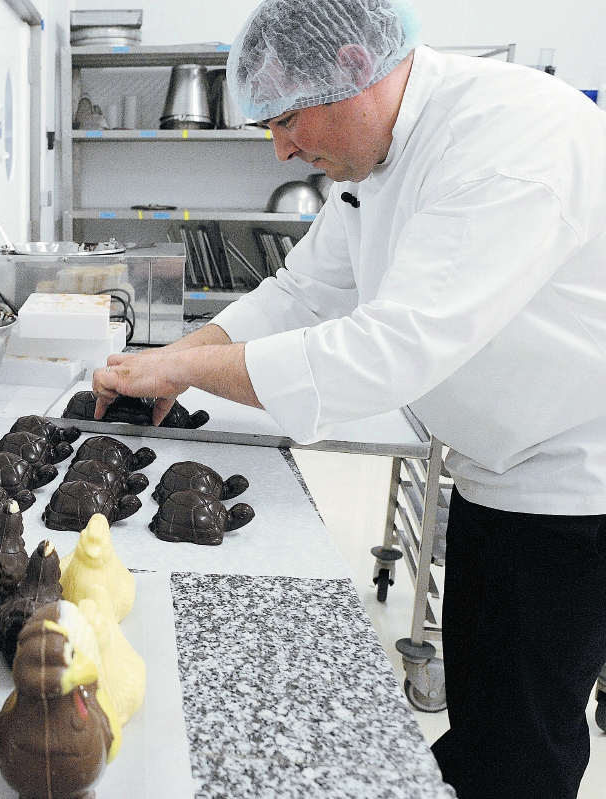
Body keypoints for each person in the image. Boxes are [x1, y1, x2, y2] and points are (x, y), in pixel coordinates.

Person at [92, 1, 606, 797]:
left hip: (576, 486)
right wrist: (173, 359)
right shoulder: (377, 152)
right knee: (486, 717)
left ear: (356, 67)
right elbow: (301, 291)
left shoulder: (510, 141)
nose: (281, 148)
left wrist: (181, 373)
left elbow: (385, 353)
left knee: (524, 745)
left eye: (288, 118)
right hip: (493, 470)